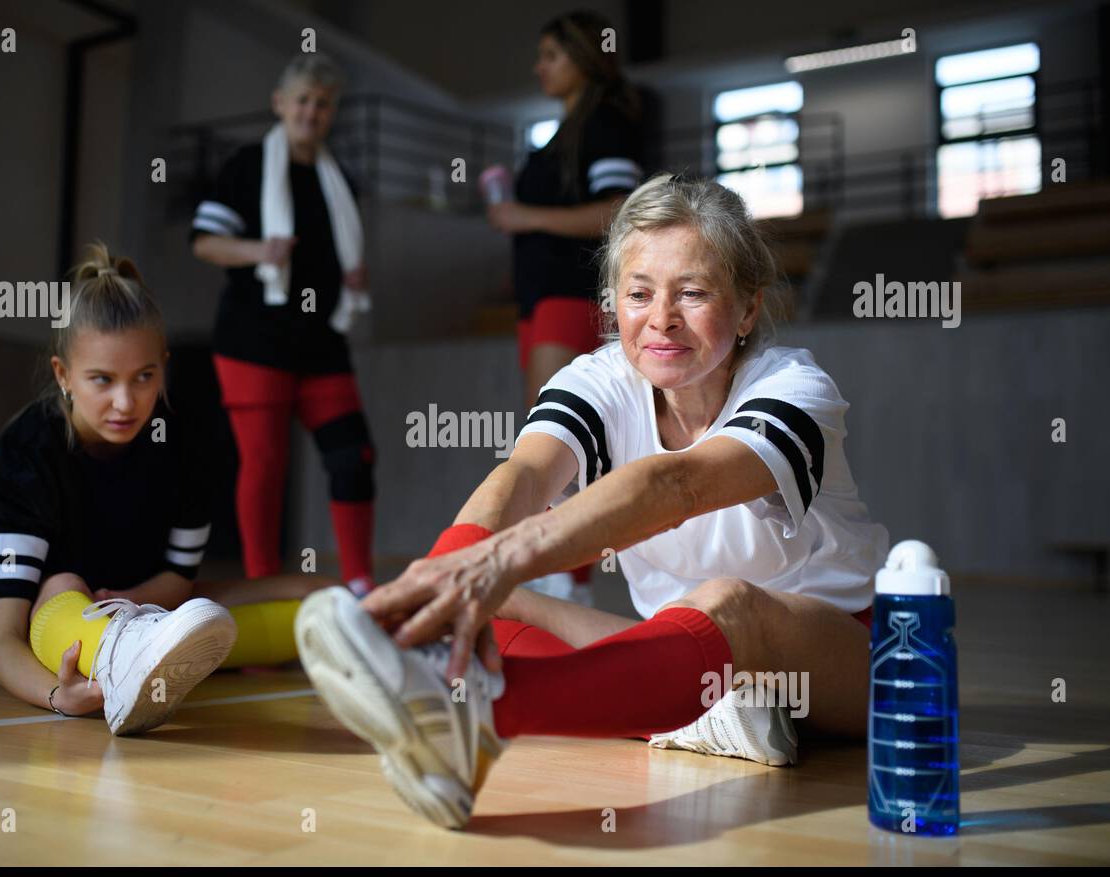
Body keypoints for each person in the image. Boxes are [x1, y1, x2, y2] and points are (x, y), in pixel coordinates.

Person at [295, 176, 890, 828]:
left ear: (748, 309)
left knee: (729, 600)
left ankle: (486, 715)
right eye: (638, 294)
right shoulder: (599, 377)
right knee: (497, 600)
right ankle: (678, 716)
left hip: (839, 661)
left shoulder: (795, 388)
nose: (661, 317)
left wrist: (494, 564)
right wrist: (443, 578)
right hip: (683, 648)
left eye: (692, 293)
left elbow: (676, 486)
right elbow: (523, 474)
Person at [0, 243, 335, 736]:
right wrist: (56, 696)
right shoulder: (28, 449)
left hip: (132, 596)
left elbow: (177, 581)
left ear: (163, 367)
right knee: (64, 584)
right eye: (102, 380)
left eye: (144, 377)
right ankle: (125, 654)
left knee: (324, 593)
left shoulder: (184, 445)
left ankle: (375, 637)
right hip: (28, 607)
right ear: (63, 375)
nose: (125, 402)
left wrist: (132, 603)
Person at [190, 53, 376, 597]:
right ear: (279, 104)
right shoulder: (247, 166)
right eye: (302, 100)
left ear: (332, 112)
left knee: (353, 455)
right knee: (265, 466)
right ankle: (260, 586)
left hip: (320, 341)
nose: (311, 112)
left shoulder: (338, 178)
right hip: (253, 340)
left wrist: (352, 276)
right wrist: (257, 249)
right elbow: (204, 242)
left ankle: (362, 584)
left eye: (322, 104)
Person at [486, 9, 644, 604]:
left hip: (569, 295)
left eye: (550, 55)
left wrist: (524, 216)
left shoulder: (605, 122)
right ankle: (562, 576)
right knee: (549, 433)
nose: (539, 67)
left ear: (582, 57)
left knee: (556, 437)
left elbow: (619, 210)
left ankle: (567, 581)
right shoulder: (567, 129)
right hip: (539, 300)